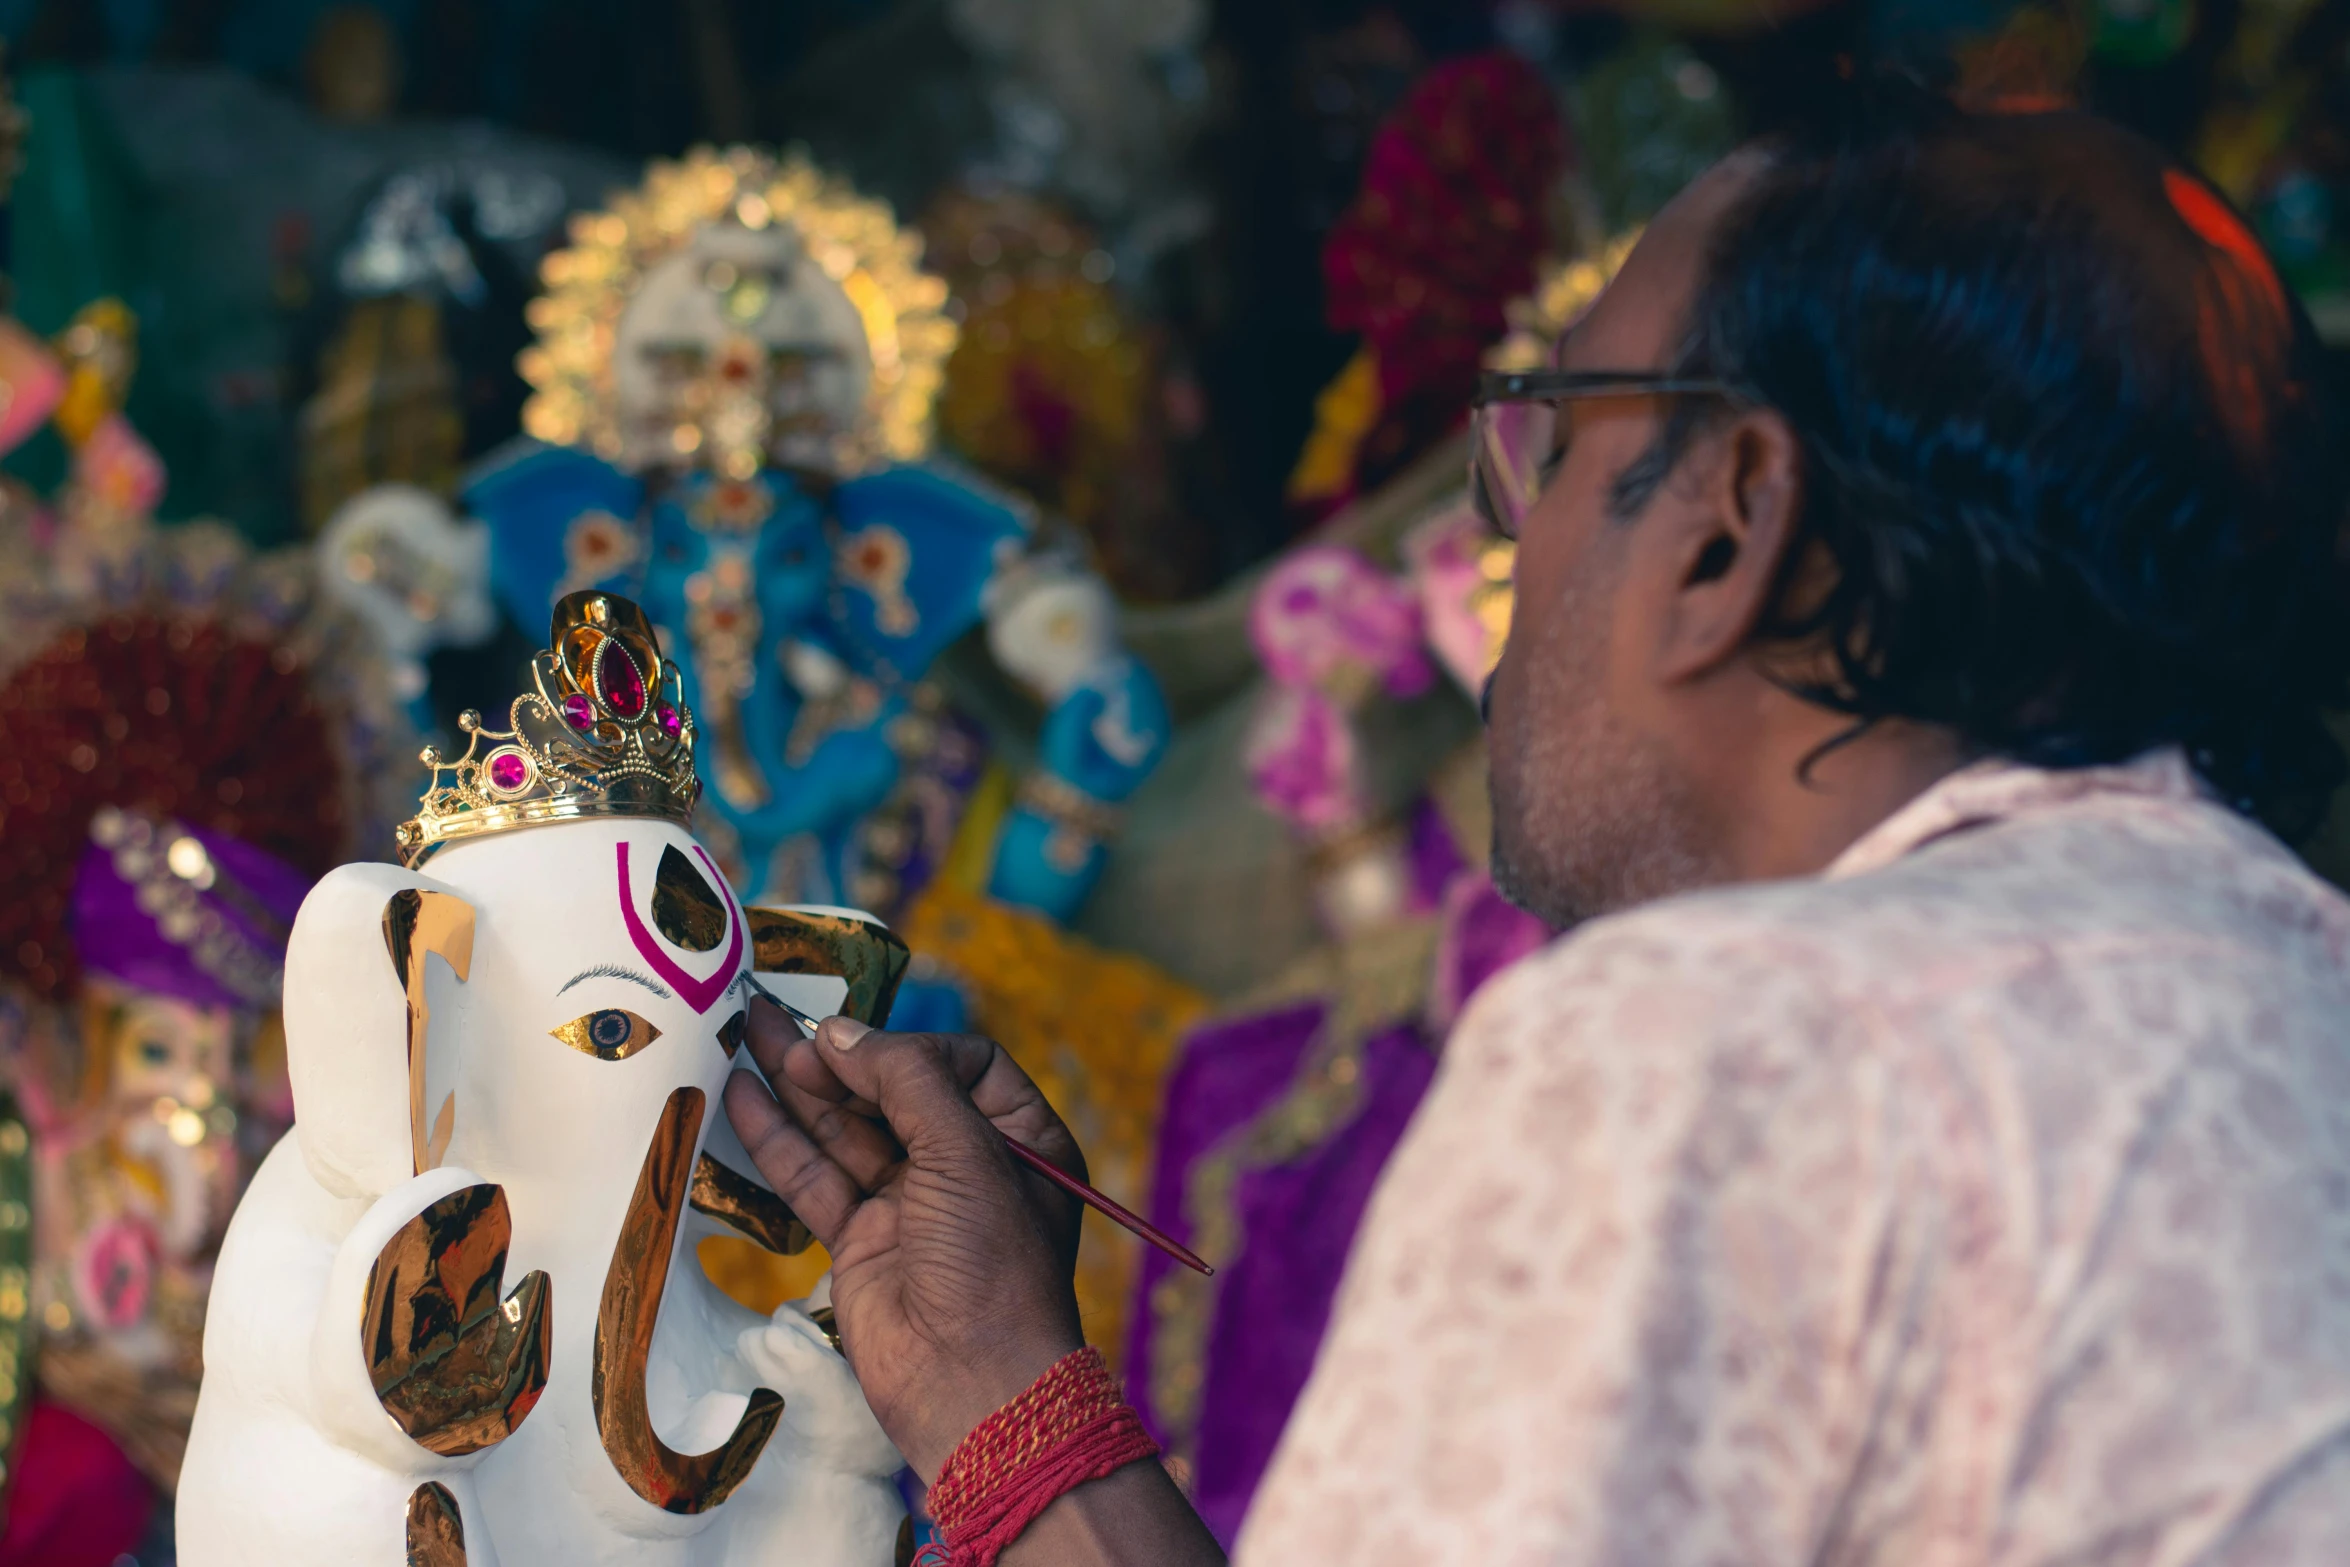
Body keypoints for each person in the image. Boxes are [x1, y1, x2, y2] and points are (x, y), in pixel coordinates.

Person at [724, 82, 2350, 1566]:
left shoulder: (1703, 1039)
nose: (1506, 535)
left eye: (1550, 447)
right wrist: (993, 1375)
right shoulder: (2299, 989)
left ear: (1730, 528)